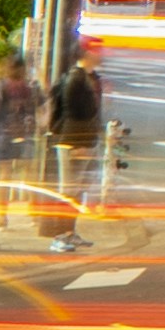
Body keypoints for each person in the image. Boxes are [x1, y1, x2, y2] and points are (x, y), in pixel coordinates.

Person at [48, 51, 109, 239]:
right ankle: (61, 234)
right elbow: (74, 112)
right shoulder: (75, 79)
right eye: (96, 49)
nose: (101, 53)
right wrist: (79, 143)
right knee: (69, 190)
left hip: (84, 141)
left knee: (77, 189)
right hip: (73, 141)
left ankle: (70, 231)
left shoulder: (91, 78)